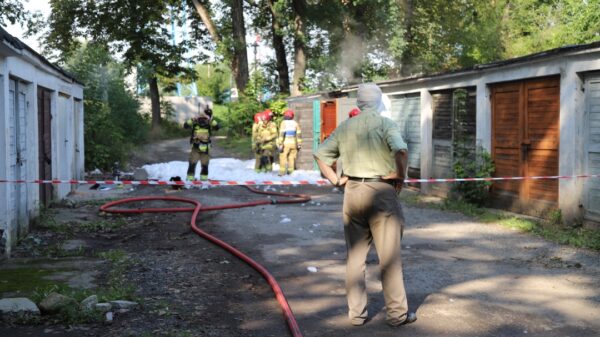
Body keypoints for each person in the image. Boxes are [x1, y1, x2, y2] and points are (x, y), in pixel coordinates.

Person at [314, 83, 416, 327]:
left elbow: (320, 154)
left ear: (358, 103)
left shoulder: (345, 126)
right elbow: (401, 150)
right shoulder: (385, 124)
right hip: (381, 192)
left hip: (353, 193)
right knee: (389, 257)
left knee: (355, 258)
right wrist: (399, 175)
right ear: (379, 101)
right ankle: (396, 315)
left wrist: (336, 180)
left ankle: (357, 315)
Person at [184, 107, 219, 181]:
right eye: (202, 117)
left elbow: (217, 127)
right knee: (193, 164)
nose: (203, 120)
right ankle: (190, 179)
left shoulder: (209, 122)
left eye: (205, 118)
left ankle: (203, 180)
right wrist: (193, 119)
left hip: (205, 149)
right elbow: (185, 126)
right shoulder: (196, 121)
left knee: (204, 165)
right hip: (196, 148)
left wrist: (210, 119)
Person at [277, 109, 302, 176]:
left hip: (285, 143)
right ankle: (290, 172)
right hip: (294, 144)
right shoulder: (295, 123)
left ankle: (282, 173)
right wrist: (299, 144)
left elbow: (282, 134)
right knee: (292, 158)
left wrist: (280, 144)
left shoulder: (283, 123)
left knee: (283, 157)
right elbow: (299, 134)